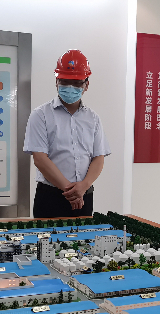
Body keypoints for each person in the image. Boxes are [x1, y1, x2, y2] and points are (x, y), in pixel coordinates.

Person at [24, 49, 110, 218]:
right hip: (50, 197)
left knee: (84, 236)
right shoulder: (40, 115)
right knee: (47, 236)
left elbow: (98, 157)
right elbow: (40, 159)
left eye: (77, 83)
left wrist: (83, 186)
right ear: (57, 82)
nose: (70, 87)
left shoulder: (93, 118)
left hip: (84, 196)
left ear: (86, 85)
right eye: (65, 81)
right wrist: (71, 192)